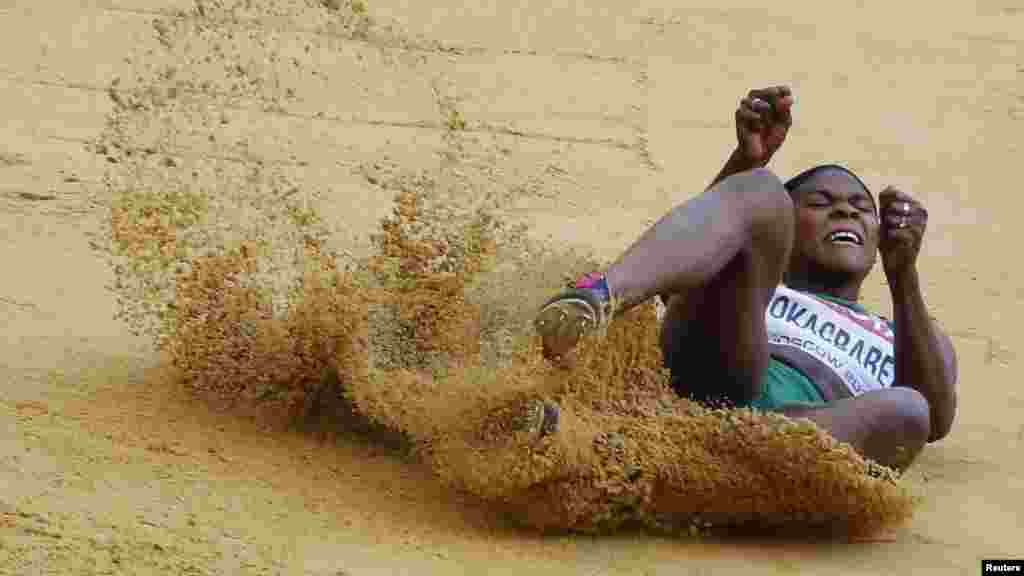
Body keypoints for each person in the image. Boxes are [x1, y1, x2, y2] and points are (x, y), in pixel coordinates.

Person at [529, 86, 958, 471]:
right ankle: (595, 301)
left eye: (862, 208)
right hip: (719, 367)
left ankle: (637, 447)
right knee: (761, 189)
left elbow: (936, 419)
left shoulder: (905, 332)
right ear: (786, 229)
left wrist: (904, 275)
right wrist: (746, 165)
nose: (845, 212)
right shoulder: (765, 281)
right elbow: (689, 270)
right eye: (822, 202)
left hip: (793, 431)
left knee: (909, 410)